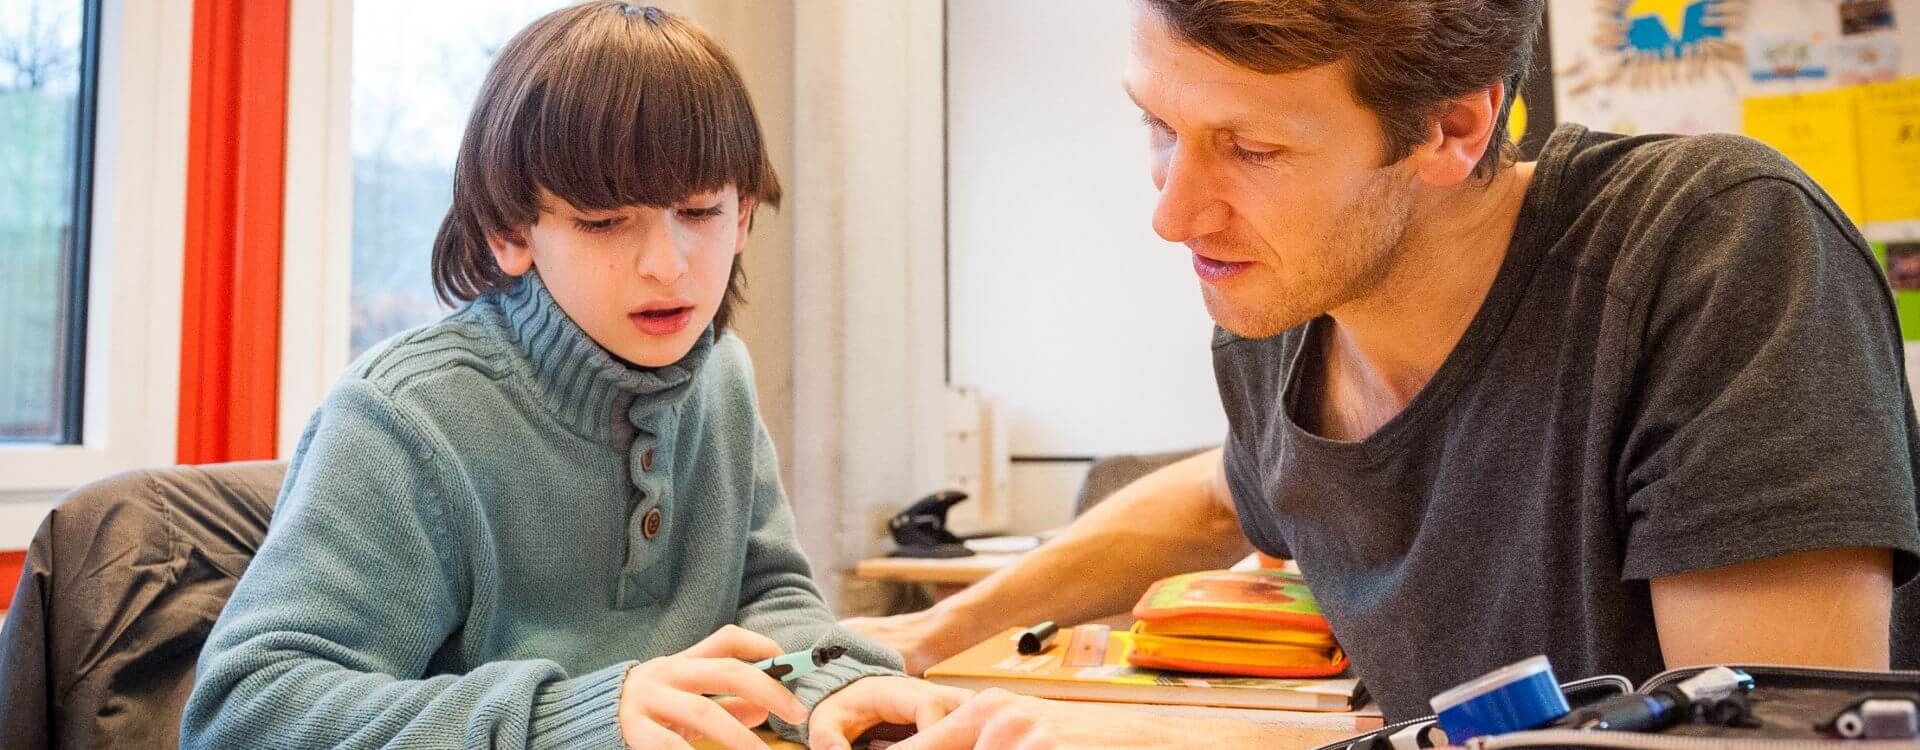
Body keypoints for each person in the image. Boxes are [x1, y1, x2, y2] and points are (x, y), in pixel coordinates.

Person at [850, 1, 1920, 748]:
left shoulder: (1711, 251)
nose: (1173, 213)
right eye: (1159, 127)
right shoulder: (1281, 314)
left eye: (1253, 151)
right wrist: (928, 632)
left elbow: (1765, 736)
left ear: (1454, 125)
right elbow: (1229, 488)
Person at [182, 5, 966, 749]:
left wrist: (832, 684)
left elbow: (771, 602)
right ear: (509, 231)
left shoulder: (719, 373)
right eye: (603, 221)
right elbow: (242, 713)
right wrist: (573, 718)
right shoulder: (405, 417)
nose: (668, 266)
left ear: (746, 213)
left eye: (699, 212)